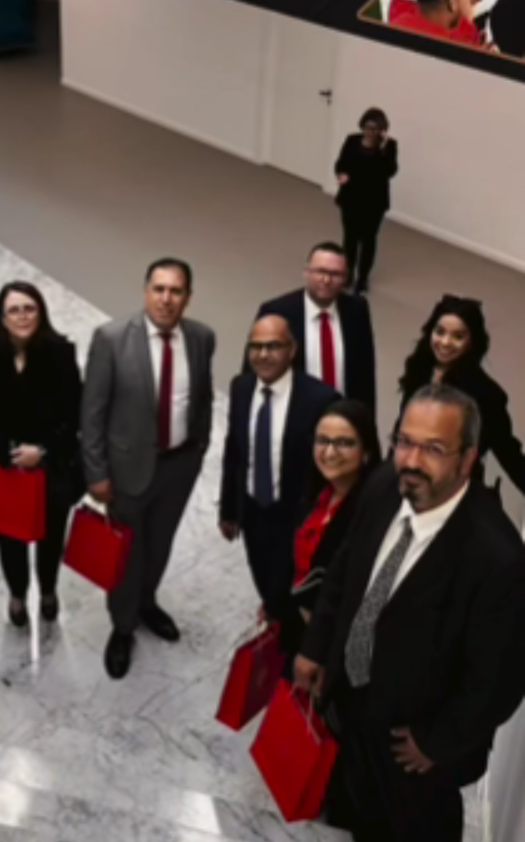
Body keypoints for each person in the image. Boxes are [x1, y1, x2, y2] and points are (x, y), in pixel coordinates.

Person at [295, 385, 525, 842]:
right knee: (360, 791)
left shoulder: (497, 556)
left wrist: (438, 742)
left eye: (434, 449)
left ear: (469, 458)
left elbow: (501, 677)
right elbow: (348, 568)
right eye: (405, 442)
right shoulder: (382, 486)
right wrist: (318, 648)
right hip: (353, 689)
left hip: (416, 731)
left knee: (424, 820)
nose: (412, 461)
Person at [81, 258, 215, 680]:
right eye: (159, 289)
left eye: (176, 291)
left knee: (159, 544)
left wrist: (199, 448)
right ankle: (122, 626)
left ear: (187, 297)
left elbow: (204, 397)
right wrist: (97, 474)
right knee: (126, 551)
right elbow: (92, 413)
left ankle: (147, 603)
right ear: (145, 292)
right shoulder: (112, 339)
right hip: (127, 470)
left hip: (178, 466)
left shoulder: (201, 338)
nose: (166, 298)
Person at [0, 282, 83, 629]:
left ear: (41, 312)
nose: (22, 315)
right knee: (10, 535)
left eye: (29, 308)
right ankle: (18, 593)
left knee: (51, 532)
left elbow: (74, 413)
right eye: (14, 309)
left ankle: (48, 590)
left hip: (52, 463)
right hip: (4, 464)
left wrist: (42, 451)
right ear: (1, 318)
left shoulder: (61, 352)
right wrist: (10, 452)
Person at [219, 315, 338, 628]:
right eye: (255, 347)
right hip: (253, 510)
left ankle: (285, 628)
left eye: (273, 346)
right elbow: (235, 450)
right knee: (263, 574)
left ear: (292, 349)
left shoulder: (320, 400)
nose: (263, 354)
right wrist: (229, 508)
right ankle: (273, 609)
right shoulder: (241, 387)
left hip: (296, 518)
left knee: (293, 590)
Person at [281, 399, 382, 658]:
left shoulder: (370, 514)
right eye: (322, 441)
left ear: (367, 452)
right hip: (298, 630)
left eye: (345, 443)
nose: (329, 453)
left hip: (332, 648)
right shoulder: (316, 496)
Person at [397, 294, 525, 496]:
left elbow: (507, 451)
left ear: (472, 341)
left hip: (450, 488)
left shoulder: (487, 394)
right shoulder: (419, 370)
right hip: (407, 474)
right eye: (440, 332)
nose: (446, 342)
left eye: (458, 336)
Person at [256, 241, 376, 412]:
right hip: (295, 417)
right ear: (306, 272)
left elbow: (365, 375)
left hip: (341, 418)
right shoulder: (277, 312)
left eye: (335, 274)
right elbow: (257, 373)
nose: (326, 280)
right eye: (320, 271)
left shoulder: (357, 310)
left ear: (345, 278)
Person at [334, 108, 398, 294]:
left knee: (368, 240)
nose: (370, 132)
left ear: (382, 130)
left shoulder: (389, 146)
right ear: (363, 125)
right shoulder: (352, 140)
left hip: (373, 202)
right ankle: (348, 275)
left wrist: (382, 150)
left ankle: (362, 278)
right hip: (351, 198)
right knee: (350, 239)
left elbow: (390, 171)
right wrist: (342, 174)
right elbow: (341, 163)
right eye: (368, 127)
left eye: (375, 129)